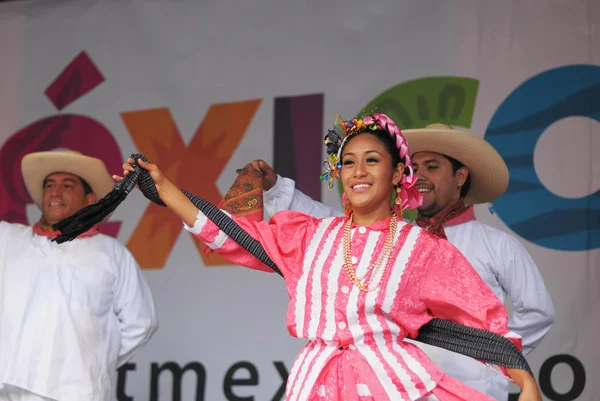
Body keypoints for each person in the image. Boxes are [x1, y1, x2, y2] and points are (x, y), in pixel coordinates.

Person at [116, 113, 542, 401]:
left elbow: (483, 319)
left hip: (391, 384)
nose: (357, 171)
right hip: (314, 382)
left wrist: (524, 380)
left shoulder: (421, 248)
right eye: (348, 162)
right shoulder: (311, 236)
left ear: (396, 175)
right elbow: (229, 232)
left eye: (372, 160)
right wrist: (162, 186)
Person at [255, 123, 555, 400]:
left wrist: (485, 355)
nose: (420, 176)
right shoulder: (393, 239)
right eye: (416, 167)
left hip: (473, 388)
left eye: (432, 167)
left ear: (460, 176)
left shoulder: (496, 244)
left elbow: (537, 311)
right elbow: (322, 227)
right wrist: (276, 189)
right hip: (403, 385)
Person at [0, 150, 158, 401]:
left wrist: (93, 361)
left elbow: (141, 323)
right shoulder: (8, 239)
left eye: (67, 185)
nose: (55, 192)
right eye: (50, 185)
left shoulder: (111, 253)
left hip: (79, 392)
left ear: (90, 199)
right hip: (9, 390)